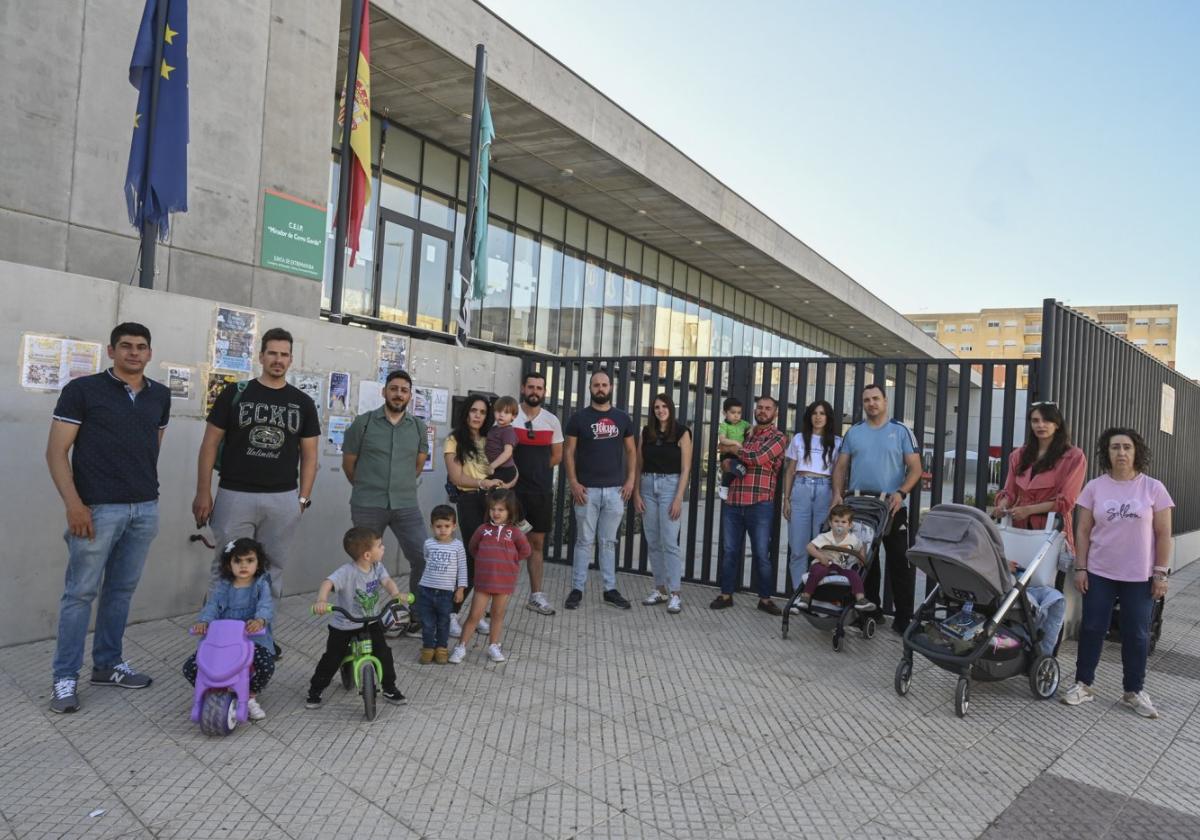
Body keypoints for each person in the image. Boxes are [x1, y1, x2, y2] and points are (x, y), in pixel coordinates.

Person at [47, 322, 171, 713]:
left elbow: (151, 449)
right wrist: (74, 504)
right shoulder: (82, 391)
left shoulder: (160, 396)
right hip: (96, 510)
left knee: (120, 592)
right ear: (111, 351)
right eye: (126, 346)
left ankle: (108, 663)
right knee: (79, 593)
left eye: (141, 347)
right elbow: (55, 453)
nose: (134, 353)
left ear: (150, 353)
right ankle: (65, 678)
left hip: (143, 508)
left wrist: (144, 498)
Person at [193, 327, 320, 622]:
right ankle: (218, 636)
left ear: (291, 360)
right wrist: (203, 491)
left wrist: (302, 499)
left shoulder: (302, 403)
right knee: (227, 564)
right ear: (261, 356)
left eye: (284, 354)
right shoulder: (235, 394)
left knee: (271, 569)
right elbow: (209, 444)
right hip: (235, 494)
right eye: (272, 353)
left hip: (283, 497)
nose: (278, 359)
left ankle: (260, 634)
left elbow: (310, 456)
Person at [1061, 428, 1174, 718]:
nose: (1121, 453)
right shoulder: (1095, 488)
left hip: (1140, 576)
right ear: (1106, 452)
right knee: (1092, 628)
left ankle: (1133, 691)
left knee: (1136, 634)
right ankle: (1083, 685)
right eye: (1114, 448)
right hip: (1100, 572)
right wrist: (1081, 568)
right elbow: (1083, 531)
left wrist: (1161, 574)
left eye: (1126, 447)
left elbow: (1163, 534)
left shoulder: (1153, 488)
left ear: (1136, 451)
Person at [992, 402, 1087, 656]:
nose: (1041, 425)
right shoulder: (1019, 455)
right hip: (1018, 529)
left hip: (1050, 532)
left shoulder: (1073, 456)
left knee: (1048, 592)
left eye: (1046, 420)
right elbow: (1010, 490)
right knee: (1015, 587)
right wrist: (1002, 503)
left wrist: (1030, 509)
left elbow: (1066, 500)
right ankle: (1013, 646)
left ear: (1057, 424)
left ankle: (1045, 653)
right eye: (1035, 420)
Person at [832, 383, 922, 633]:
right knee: (865, 561)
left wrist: (901, 493)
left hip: (891, 507)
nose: (871, 403)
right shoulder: (854, 432)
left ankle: (904, 618)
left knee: (898, 562)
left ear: (885, 401)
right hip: (860, 505)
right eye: (866, 400)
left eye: (875, 399)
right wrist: (837, 494)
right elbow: (840, 467)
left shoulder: (902, 431)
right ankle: (872, 612)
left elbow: (916, 469)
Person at [341, 369, 429, 620]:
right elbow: (349, 465)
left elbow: (418, 465)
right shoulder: (364, 423)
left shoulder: (418, 427)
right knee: (364, 562)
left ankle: (418, 616)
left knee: (423, 557)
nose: (398, 394)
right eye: (394, 389)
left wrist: (398, 485)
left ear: (410, 396)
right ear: (384, 392)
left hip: (406, 504)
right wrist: (366, 486)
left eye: (404, 390)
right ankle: (362, 617)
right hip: (368, 503)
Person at [306, 527, 407, 708]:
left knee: (383, 653)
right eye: (380, 546)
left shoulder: (378, 567)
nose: (383, 548)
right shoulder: (347, 572)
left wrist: (396, 593)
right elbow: (327, 582)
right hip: (344, 625)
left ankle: (389, 687)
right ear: (367, 555)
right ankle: (316, 689)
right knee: (332, 658)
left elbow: (387, 581)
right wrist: (321, 600)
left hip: (371, 621)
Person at [563, 369, 637, 610]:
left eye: (604, 384)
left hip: (615, 491)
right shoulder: (579, 418)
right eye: (596, 385)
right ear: (590, 388)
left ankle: (610, 589)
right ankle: (577, 588)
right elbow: (569, 452)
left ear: (611, 388)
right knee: (584, 541)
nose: (601, 388)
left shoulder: (623, 418)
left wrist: (630, 481)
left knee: (608, 542)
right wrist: (573, 482)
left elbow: (631, 452)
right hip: (587, 491)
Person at [710, 395, 789, 615]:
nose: (762, 411)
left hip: (760, 503)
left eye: (767, 408)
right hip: (734, 501)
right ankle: (726, 595)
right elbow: (722, 455)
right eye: (759, 408)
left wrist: (734, 451)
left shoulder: (779, 437)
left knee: (762, 553)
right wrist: (727, 460)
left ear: (775, 413)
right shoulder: (745, 432)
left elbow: (757, 457)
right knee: (729, 551)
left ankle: (765, 599)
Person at [443, 396, 515, 637]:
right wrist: (482, 482)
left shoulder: (491, 439)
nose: (477, 415)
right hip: (469, 500)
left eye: (483, 412)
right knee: (473, 558)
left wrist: (506, 481)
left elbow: (508, 467)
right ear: (466, 413)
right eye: (473, 410)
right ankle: (451, 614)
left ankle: (477, 614)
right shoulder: (454, 440)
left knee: (490, 561)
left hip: (491, 502)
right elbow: (457, 477)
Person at [182, 538, 275, 721]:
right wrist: (204, 622)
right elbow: (212, 606)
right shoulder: (223, 586)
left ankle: (249, 696)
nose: (243, 566)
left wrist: (260, 620)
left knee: (266, 665)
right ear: (228, 564)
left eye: (249, 561)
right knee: (192, 667)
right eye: (237, 561)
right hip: (222, 641)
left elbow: (266, 605)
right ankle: (214, 691)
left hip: (251, 639)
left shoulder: (260, 585)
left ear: (259, 563)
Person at [450, 490, 531, 664]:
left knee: (497, 614)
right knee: (474, 615)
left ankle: (494, 645)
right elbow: (473, 547)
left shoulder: (515, 532)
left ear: (510, 511)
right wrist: (484, 561)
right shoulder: (482, 530)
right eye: (493, 509)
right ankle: (461, 646)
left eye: (501, 509)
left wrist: (510, 561)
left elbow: (525, 550)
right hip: (483, 582)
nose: (496, 513)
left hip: (504, 582)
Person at [633, 393, 692, 614]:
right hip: (648, 486)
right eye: (656, 407)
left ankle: (675, 592)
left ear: (671, 408)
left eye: (664, 406)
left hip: (670, 486)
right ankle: (659, 589)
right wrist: (637, 493)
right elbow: (639, 464)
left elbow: (686, 468)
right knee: (653, 540)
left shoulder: (682, 432)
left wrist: (678, 497)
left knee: (670, 542)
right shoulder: (646, 432)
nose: (660, 410)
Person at [514, 370, 564, 616]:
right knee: (504, 544)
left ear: (544, 392)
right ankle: (495, 599)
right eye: (531, 387)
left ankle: (536, 596)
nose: (535, 391)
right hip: (511, 494)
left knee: (536, 543)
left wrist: (535, 473)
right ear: (523, 388)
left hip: (540, 493)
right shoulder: (509, 417)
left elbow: (557, 456)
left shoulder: (552, 421)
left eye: (539, 388)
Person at [783, 399, 840, 592]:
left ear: (828, 417)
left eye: (822, 413)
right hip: (801, 489)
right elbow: (790, 471)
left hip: (825, 491)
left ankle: (815, 595)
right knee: (798, 549)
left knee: (822, 548)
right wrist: (786, 499)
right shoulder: (799, 438)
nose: (818, 417)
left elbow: (840, 474)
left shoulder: (837, 442)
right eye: (815, 413)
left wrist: (837, 497)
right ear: (810, 416)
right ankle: (798, 595)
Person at [798, 504, 874, 611]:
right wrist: (820, 557)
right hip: (824, 563)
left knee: (854, 575)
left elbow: (861, 546)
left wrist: (862, 556)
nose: (840, 525)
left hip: (841, 567)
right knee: (817, 570)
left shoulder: (853, 539)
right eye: (836, 521)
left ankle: (860, 599)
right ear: (830, 523)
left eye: (843, 522)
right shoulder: (825, 537)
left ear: (850, 525)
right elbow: (809, 547)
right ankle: (805, 596)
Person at [417, 506, 468, 664]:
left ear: (454, 526)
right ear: (432, 526)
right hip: (426, 590)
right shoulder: (428, 543)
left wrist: (460, 589)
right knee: (427, 622)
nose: (443, 530)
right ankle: (427, 648)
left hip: (446, 593)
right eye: (438, 526)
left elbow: (462, 567)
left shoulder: (458, 546)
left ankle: (441, 649)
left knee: (443, 622)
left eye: (447, 526)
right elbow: (427, 559)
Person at [716, 397, 751, 502]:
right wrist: (735, 443)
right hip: (728, 454)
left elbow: (752, 427)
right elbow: (722, 440)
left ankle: (737, 480)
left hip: (739, 454)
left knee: (739, 469)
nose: (736, 415)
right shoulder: (724, 425)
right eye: (733, 412)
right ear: (724, 413)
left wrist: (752, 430)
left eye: (739, 413)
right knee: (729, 470)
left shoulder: (743, 423)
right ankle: (724, 486)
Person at [485, 395, 520, 486]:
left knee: (490, 492)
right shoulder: (494, 429)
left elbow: (507, 452)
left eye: (506, 412)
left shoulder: (508, 431)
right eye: (499, 411)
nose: (501, 414)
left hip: (505, 469)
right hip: (496, 468)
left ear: (513, 416)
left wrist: (492, 466)